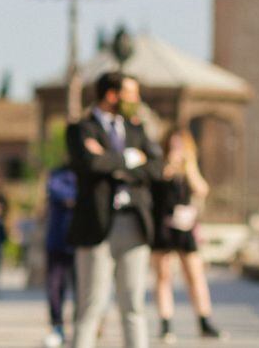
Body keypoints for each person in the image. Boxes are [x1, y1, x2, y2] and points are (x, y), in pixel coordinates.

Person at [67, 72, 164, 348]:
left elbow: (156, 169)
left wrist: (114, 164)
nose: (137, 100)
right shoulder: (81, 129)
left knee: (134, 307)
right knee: (90, 307)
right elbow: (90, 165)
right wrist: (131, 159)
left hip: (133, 224)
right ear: (112, 95)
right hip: (97, 227)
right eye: (131, 93)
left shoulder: (136, 129)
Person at [151, 128, 225, 342]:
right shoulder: (160, 165)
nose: (177, 149)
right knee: (163, 276)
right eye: (173, 144)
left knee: (195, 275)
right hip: (163, 226)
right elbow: (156, 185)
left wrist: (188, 166)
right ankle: (166, 324)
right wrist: (170, 166)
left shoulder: (190, 168)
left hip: (185, 227)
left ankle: (204, 321)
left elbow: (202, 189)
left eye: (180, 145)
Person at [44, 164, 77, 347]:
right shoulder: (57, 174)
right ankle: (57, 326)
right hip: (57, 240)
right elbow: (59, 193)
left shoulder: (88, 172)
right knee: (55, 287)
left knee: (83, 289)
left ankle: (83, 326)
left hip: (82, 243)